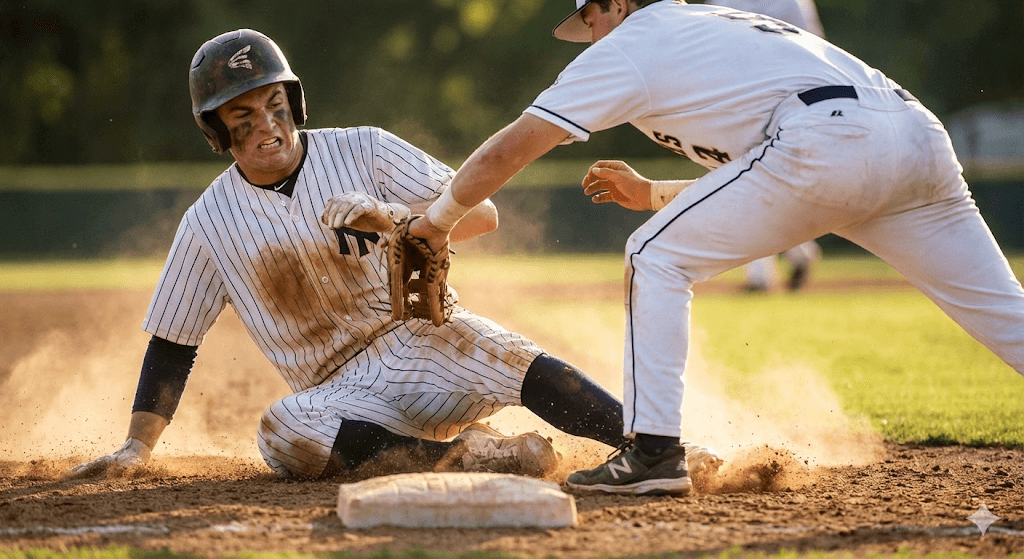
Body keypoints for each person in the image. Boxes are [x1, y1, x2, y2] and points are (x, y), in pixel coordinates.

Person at [406, 0, 1024, 496]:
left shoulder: (632, 43)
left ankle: (652, 453)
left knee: (654, 256)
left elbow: (507, 150)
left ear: (617, 5)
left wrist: (437, 222)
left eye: (589, 18)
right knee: (1004, 314)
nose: (590, 35)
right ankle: (653, 452)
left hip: (831, 141)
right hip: (914, 136)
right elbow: (772, 173)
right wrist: (651, 194)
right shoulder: (705, 28)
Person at [68, 28, 723, 482]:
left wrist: (400, 222)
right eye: (241, 115)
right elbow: (174, 340)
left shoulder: (366, 148)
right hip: (339, 397)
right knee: (281, 431)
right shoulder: (209, 221)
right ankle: (474, 459)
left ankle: (662, 450)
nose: (265, 124)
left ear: (292, 102)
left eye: (273, 104)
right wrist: (137, 444)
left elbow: (485, 213)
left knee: (515, 358)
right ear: (217, 130)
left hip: (425, 338)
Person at [704, 0, 825, 293]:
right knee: (751, 180)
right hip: (740, 96)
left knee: (759, 181)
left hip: (787, 95)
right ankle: (792, 257)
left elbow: (815, 46)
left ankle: (765, 273)